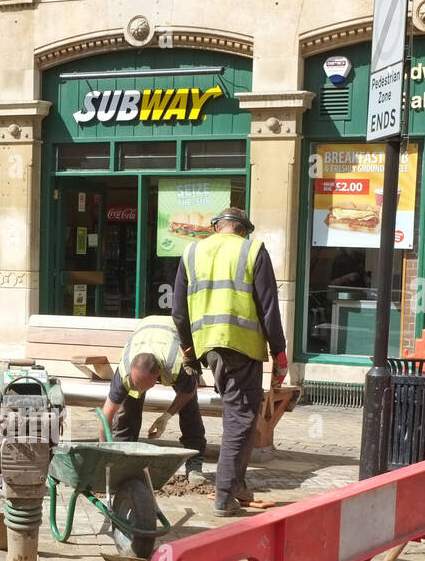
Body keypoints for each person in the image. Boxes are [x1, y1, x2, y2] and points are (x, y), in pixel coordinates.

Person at [172, 206, 288, 516]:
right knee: (239, 417)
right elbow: (268, 307)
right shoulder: (253, 250)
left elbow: (179, 311)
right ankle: (225, 493)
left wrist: (188, 349)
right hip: (241, 348)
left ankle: (236, 485)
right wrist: (280, 351)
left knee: (243, 415)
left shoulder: (193, 252)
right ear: (243, 229)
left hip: (209, 347)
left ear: (217, 227)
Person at [100, 316, 206, 482]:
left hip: (174, 331)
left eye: (143, 385)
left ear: (158, 374)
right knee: (127, 408)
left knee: (189, 408)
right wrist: (103, 453)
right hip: (145, 328)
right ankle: (122, 462)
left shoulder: (176, 365)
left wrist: (166, 416)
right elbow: (106, 414)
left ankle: (194, 465)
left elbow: (189, 391)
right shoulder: (124, 372)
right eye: (136, 383)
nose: (140, 389)